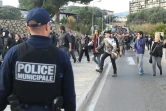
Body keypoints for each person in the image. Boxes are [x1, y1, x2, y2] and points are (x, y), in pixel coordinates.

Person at [0, 8, 76, 111]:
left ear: (27, 27)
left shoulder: (13, 53)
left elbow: (2, 90)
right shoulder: (61, 56)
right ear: (47, 26)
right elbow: (69, 96)